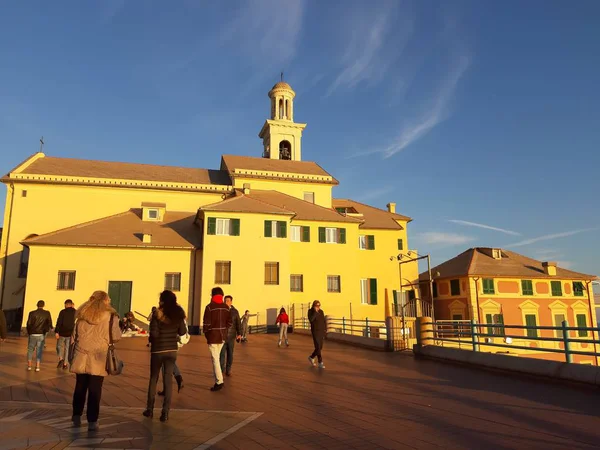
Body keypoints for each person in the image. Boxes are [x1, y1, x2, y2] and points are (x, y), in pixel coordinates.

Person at [70, 291, 122, 431]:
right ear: (105, 301)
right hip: (99, 357)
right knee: (95, 389)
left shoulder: (81, 316)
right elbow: (116, 337)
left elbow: (73, 337)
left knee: (80, 387)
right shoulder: (111, 317)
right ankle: (92, 421)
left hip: (81, 355)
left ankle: (76, 416)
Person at [143, 290, 186, 422]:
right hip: (171, 350)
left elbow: (154, 334)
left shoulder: (157, 314)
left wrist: (152, 338)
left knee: (153, 379)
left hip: (157, 351)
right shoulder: (178, 313)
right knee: (168, 381)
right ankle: (165, 413)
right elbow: (183, 331)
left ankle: (149, 409)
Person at [203, 287, 231, 392]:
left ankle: (219, 381)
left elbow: (206, 324)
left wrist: (207, 334)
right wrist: (225, 330)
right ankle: (217, 380)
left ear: (213, 295)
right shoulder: (226, 307)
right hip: (222, 336)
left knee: (215, 360)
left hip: (213, 336)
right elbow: (230, 322)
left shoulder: (209, 307)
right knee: (217, 359)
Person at [157, 317, 188, 396]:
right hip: (176, 342)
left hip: (167, 341)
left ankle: (174, 381)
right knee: (168, 362)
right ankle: (177, 379)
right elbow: (183, 330)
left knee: (165, 363)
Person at [26, 300, 53, 372]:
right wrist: (49, 328)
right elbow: (49, 322)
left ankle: (29, 366)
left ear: (37, 305)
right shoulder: (47, 313)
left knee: (30, 349)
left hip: (33, 334)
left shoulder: (31, 313)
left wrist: (29, 332)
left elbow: (28, 324)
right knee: (39, 350)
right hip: (41, 334)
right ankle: (37, 366)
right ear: (43, 305)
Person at [220, 295, 241, 377]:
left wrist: (239, 334)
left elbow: (238, 323)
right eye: (225, 300)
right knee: (221, 354)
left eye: (228, 300)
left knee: (230, 354)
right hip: (222, 336)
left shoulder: (235, 312)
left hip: (231, 337)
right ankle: (221, 369)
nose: (226, 302)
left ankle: (228, 369)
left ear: (231, 302)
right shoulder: (221, 310)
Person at [55, 299, 76, 370]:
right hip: (70, 333)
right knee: (67, 349)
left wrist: (56, 332)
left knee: (59, 346)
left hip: (62, 333)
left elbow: (59, 322)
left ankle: (61, 359)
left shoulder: (62, 312)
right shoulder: (75, 312)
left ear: (67, 304)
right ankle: (65, 364)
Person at [308, 300, 326, 369]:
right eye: (317, 306)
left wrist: (325, 329)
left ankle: (311, 357)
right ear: (314, 306)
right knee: (318, 347)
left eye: (319, 305)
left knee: (320, 347)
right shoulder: (310, 311)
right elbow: (311, 320)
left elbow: (323, 321)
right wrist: (315, 312)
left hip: (321, 331)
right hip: (315, 332)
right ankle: (320, 362)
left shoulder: (321, 312)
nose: (318, 307)